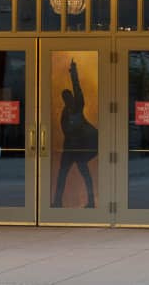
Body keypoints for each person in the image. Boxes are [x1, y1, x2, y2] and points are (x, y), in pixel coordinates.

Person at [53, 59, 98, 208]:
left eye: (69, 96)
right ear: (64, 100)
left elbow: (77, 87)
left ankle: (91, 202)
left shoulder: (78, 105)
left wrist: (73, 72)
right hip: (70, 149)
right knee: (62, 174)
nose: (68, 99)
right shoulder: (65, 113)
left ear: (72, 97)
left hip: (80, 147)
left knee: (84, 174)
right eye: (65, 98)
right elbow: (65, 130)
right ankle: (58, 202)